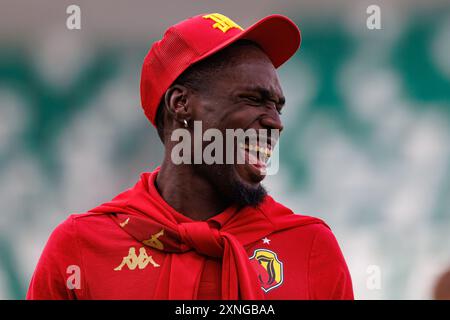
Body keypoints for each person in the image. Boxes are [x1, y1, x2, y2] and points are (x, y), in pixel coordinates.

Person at [27, 12, 353, 300]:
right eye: (253, 99)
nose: (275, 122)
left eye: (278, 106)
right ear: (181, 103)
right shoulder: (80, 249)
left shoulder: (310, 249)